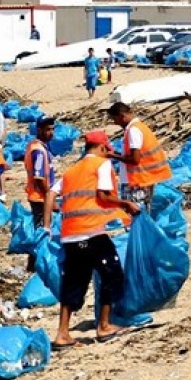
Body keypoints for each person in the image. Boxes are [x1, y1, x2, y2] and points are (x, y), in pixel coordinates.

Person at [43, 130, 140, 348]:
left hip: (70, 235)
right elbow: (103, 195)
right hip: (92, 232)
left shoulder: (72, 171)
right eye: (108, 150)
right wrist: (126, 204)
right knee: (112, 274)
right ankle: (104, 326)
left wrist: (47, 226)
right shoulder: (102, 165)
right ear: (103, 148)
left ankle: (62, 333)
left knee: (73, 283)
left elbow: (50, 194)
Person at [107, 102, 173, 211]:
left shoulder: (134, 130)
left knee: (136, 215)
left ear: (121, 116)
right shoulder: (139, 127)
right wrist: (115, 153)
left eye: (115, 119)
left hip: (138, 181)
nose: (115, 123)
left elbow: (135, 160)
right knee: (142, 215)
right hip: (143, 179)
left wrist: (113, 155)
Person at [24, 115, 56, 271]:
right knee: (42, 230)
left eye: (52, 129)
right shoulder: (38, 151)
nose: (51, 133)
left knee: (40, 229)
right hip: (40, 197)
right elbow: (39, 177)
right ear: (39, 130)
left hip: (38, 195)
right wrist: (49, 195)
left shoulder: (37, 146)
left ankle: (33, 263)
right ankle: (35, 265)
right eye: (47, 129)